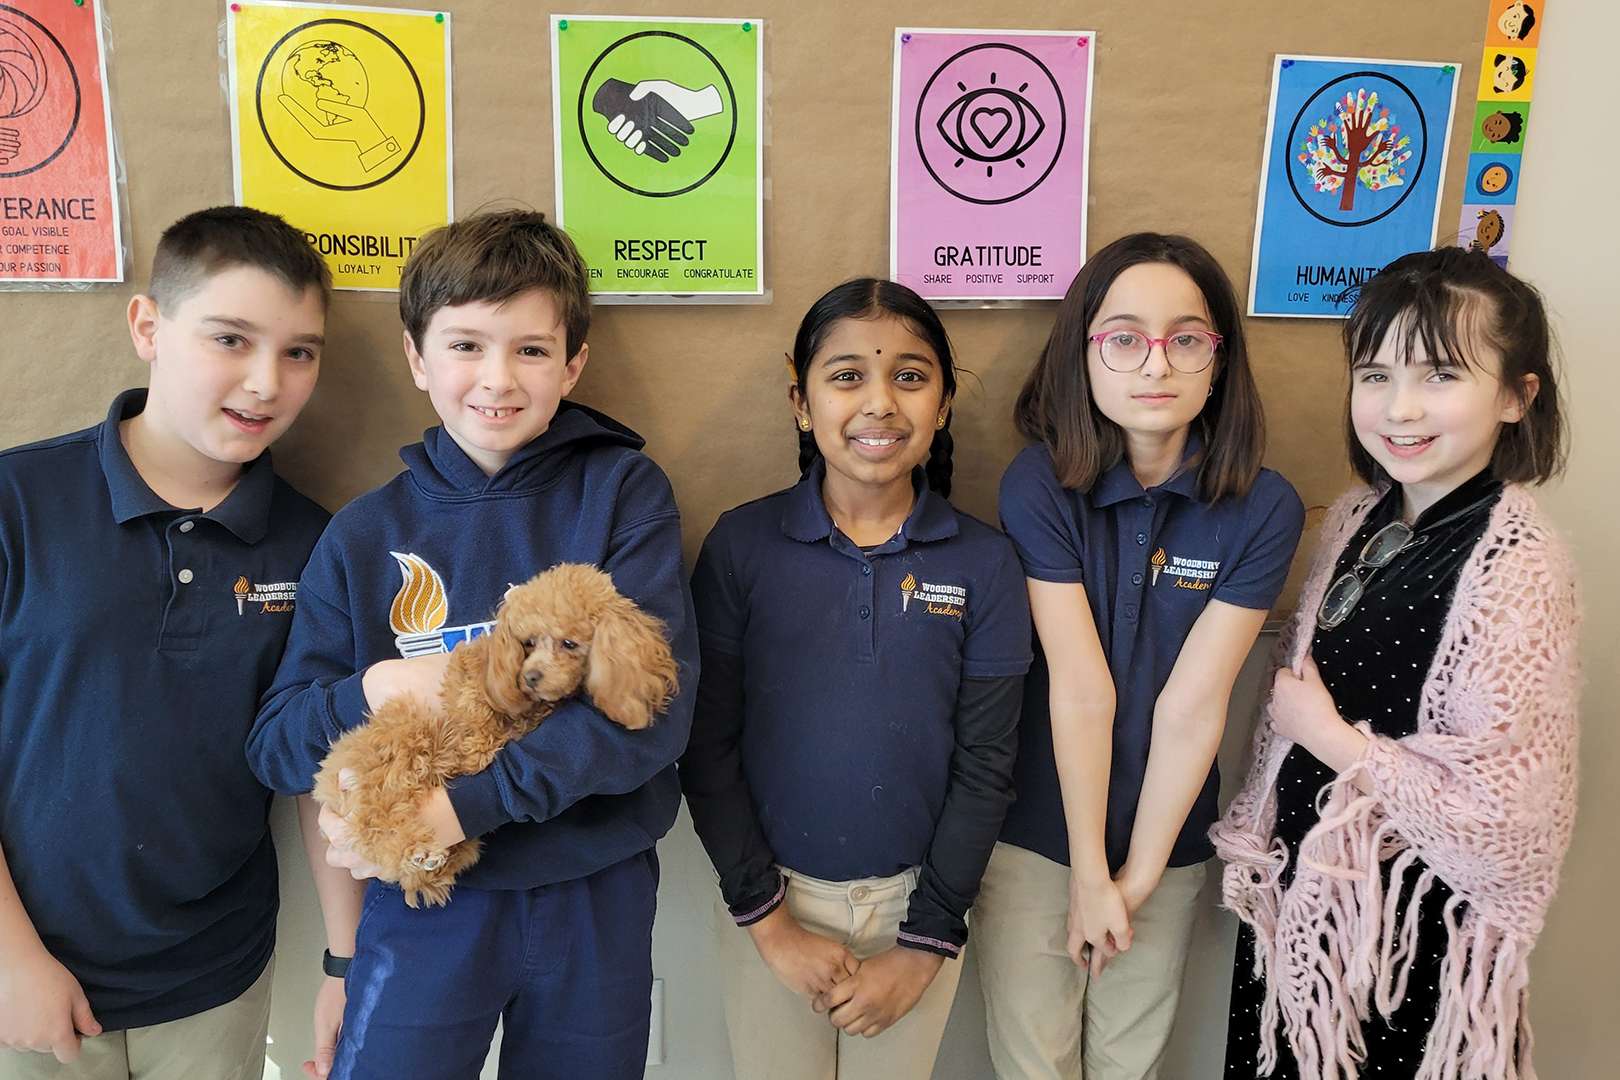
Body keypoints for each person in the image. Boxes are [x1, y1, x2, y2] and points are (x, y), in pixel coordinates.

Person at [245, 210, 696, 1080]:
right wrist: (378, 685)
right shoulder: (363, 533)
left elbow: (650, 716)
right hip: (422, 903)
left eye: (531, 350)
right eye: (464, 346)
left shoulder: (623, 494)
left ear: (574, 364)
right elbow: (277, 743)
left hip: (590, 891)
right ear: (416, 357)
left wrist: (457, 812)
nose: (497, 378)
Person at [1215, 247, 1579, 1080]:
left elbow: (1506, 832)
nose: (1400, 408)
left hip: (1404, 937)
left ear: (1518, 397)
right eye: (1375, 375)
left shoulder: (1514, 561)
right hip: (1308, 903)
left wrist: (1331, 738)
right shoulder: (1356, 515)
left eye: (1441, 376)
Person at [0, 207, 332, 1078]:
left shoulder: (315, 544)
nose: (266, 382)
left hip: (215, 977)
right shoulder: (18, 503)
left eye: (299, 351)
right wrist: (11, 958)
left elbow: (317, 768)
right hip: (23, 976)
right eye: (231, 338)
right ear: (148, 327)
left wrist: (346, 962)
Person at [681, 279, 1032, 1080]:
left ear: (943, 403)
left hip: (921, 904)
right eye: (846, 376)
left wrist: (925, 945)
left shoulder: (985, 563)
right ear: (801, 401)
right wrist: (770, 925)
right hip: (771, 902)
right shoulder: (742, 548)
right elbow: (706, 747)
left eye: (910, 376)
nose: (879, 402)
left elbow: (986, 766)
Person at [977, 233, 1305, 1080]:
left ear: (1218, 359)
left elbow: (1195, 705)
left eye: (1186, 338)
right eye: (1124, 337)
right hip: (1040, 838)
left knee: (1130, 1064)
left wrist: (1137, 877)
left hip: (1169, 842)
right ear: (1083, 354)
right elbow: (1081, 692)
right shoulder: (1039, 483)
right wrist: (1090, 875)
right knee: (1033, 1065)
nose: (1155, 363)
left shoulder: (1264, 506)